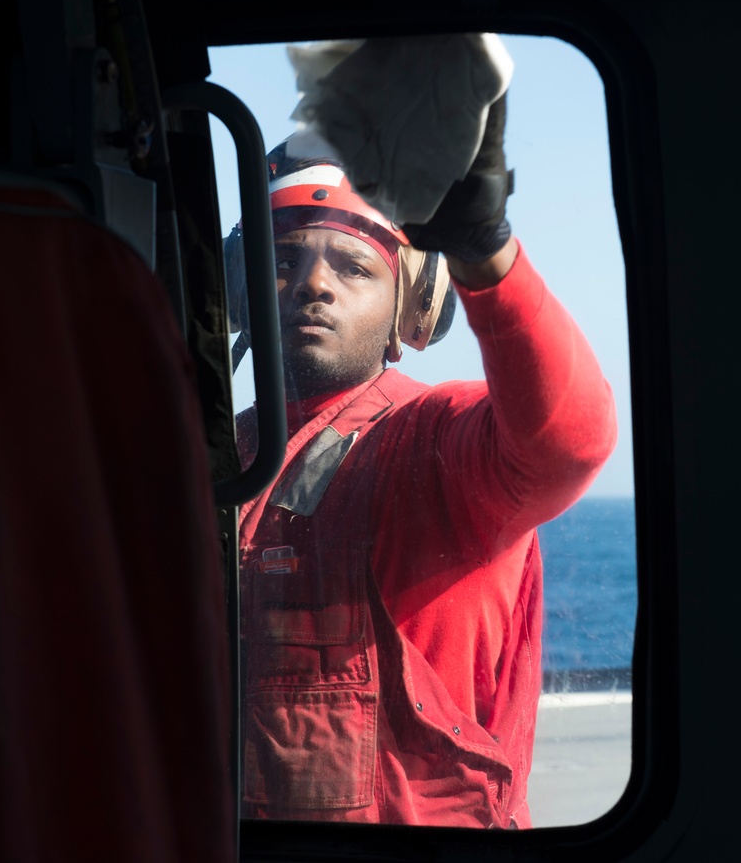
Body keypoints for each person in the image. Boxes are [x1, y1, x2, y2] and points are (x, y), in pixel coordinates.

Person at [228, 95, 617, 828]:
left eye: (352, 265)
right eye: (283, 261)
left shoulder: (435, 442)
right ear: (244, 290)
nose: (314, 283)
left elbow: (570, 438)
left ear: (413, 310)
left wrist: (487, 252)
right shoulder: (217, 457)